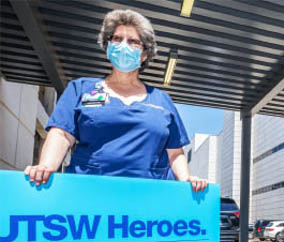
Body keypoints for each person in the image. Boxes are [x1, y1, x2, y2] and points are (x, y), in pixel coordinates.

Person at [24, 9, 207, 192]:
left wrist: (186, 180)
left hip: (149, 198)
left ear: (144, 54)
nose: (123, 45)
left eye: (133, 41)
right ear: (108, 47)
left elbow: (175, 153)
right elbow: (62, 135)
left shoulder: (161, 101)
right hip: (89, 193)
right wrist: (45, 167)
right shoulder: (80, 89)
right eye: (117, 39)